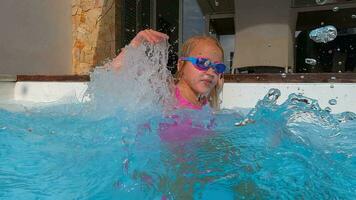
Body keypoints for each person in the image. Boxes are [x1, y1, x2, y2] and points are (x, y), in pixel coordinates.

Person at [111, 29, 225, 111]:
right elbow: (113, 73)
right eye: (202, 63)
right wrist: (136, 43)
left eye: (218, 67)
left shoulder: (204, 103)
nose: (211, 73)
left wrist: (217, 91)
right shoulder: (167, 92)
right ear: (181, 65)